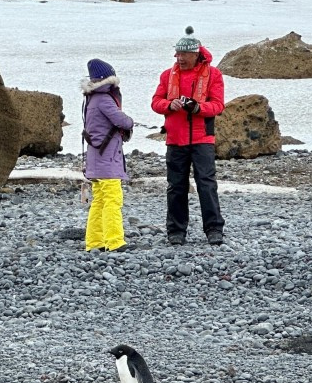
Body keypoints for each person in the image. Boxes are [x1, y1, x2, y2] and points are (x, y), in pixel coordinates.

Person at [151, 27, 226, 246]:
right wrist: (169, 104)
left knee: (206, 185)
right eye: (177, 54)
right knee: (176, 187)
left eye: (184, 55)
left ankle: (214, 229)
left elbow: (218, 105)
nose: (180, 59)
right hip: (176, 139)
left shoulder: (214, 75)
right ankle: (176, 231)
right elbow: (155, 102)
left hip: (202, 139)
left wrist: (197, 108)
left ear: (195, 54)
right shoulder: (167, 75)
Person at [81, 59, 134, 252]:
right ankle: (115, 241)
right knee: (112, 200)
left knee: (99, 201)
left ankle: (94, 242)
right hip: (107, 159)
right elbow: (122, 121)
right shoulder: (104, 99)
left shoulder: (91, 99)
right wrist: (130, 121)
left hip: (96, 159)